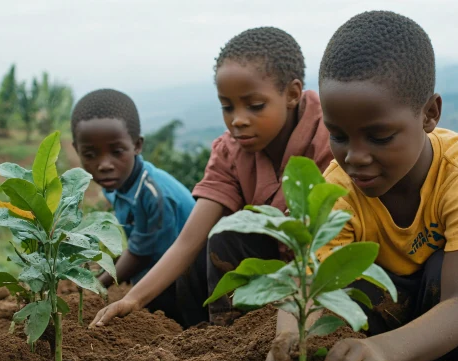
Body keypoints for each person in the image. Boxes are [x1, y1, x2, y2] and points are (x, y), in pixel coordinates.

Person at [263, 11, 458, 361]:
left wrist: (382, 352)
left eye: (379, 137)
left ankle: (415, 346)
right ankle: (410, 340)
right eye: (339, 135)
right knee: (350, 282)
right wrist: (288, 340)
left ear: (429, 114)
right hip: (402, 292)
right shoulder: (336, 189)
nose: (355, 157)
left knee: (445, 274)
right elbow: (308, 286)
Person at [89, 27, 333, 329]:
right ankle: (213, 337)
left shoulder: (331, 140)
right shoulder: (231, 151)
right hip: (263, 281)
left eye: (255, 106)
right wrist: (133, 299)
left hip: (320, 282)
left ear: (293, 94)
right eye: (227, 107)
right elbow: (187, 241)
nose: (237, 120)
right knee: (217, 238)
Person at [71, 89, 196, 323]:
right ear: (77, 150)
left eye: (116, 152)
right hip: (159, 264)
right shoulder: (117, 183)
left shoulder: (152, 194)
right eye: (90, 154)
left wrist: (97, 284)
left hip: (187, 279)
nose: (104, 165)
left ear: (137, 145)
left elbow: (140, 254)